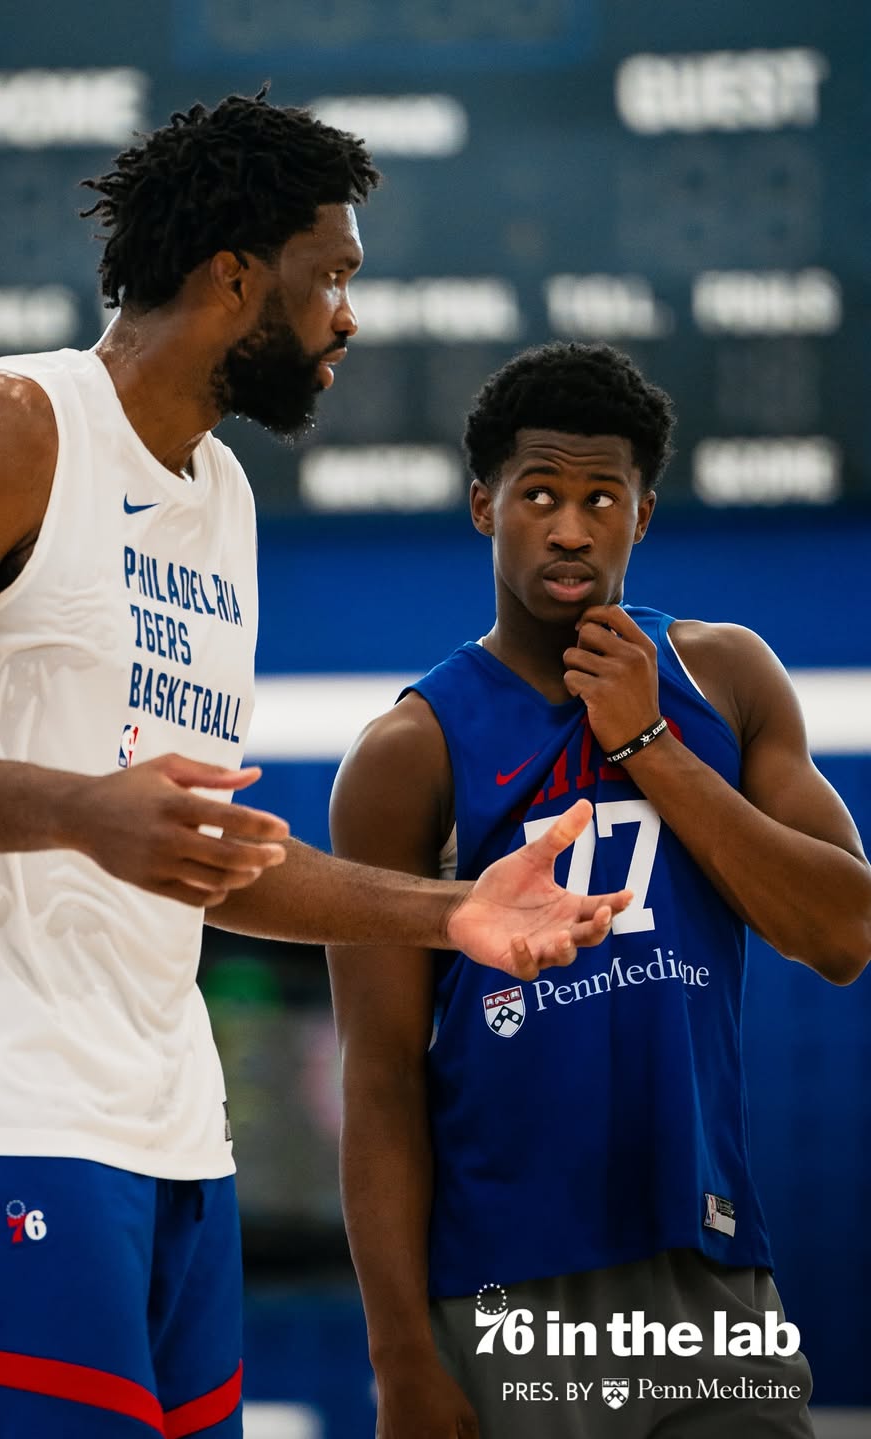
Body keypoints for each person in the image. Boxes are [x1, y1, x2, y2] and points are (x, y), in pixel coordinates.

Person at [0, 97, 629, 1439]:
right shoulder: (11, 426)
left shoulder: (218, 499)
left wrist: (447, 914)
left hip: (171, 1135)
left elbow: (194, 849)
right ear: (238, 276)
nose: (349, 316)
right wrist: (78, 811)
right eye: (334, 276)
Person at [327, 340, 871, 1439]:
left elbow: (843, 929)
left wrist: (654, 744)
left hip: (711, 1273)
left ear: (643, 515)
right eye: (538, 493)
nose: (569, 527)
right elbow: (379, 1076)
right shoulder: (409, 751)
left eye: (599, 497)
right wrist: (400, 1361)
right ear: (484, 505)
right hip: (506, 1293)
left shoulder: (725, 676)